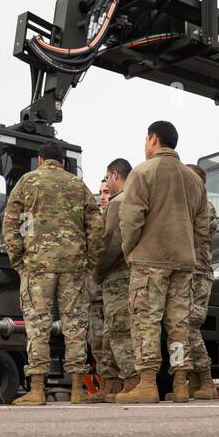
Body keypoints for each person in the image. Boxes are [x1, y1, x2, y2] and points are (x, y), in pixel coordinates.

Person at [3, 142, 104, 405]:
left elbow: (11, 224)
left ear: (39, 159)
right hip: (73, 266)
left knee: (38, 325)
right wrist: (88, 260)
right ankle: (78, 391)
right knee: (75, 325)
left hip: (37, 266)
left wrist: (20, 261)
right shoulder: (78, 186)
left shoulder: (27, 183)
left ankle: (37, 390)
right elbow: (96, 228)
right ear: (63, 162)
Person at [115, 121, 209, 405]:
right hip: (183, 262)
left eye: (146, 140)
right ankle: (180, 384)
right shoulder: (193, 179)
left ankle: (147, 384)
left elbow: (130, 219)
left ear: (153, 139)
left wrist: (129, 250)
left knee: (146, 321)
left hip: (149, 258)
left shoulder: (142, 172)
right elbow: (203, 228)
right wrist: (187, 249)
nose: (145, 146)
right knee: (179, 323)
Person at [92, 158, 136, 403]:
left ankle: (132, 382)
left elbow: (110, 242)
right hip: (129, 274)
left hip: (118, 275)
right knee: (112, 331)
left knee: (120, 330)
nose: (107, 183)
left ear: (115, 174)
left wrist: (97, 272)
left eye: (107, 178)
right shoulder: (138, 198)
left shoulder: (119, 203)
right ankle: (113, 385)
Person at [184, 163, 219, 400]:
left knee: (190, 325)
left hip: (199, 274)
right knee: (182, 326)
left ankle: (206, 378)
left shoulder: (205, 207)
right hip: (188, 272)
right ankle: (194, 380)